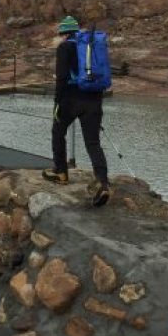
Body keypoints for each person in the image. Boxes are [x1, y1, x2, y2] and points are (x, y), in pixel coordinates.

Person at [42, 16, 111, 207]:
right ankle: (103, 182)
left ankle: (61, 172)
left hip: (71, 99)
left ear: (63, 34)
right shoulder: (89, 46)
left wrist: (57, 103)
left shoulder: (64, 48)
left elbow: (62, 78)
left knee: (58, 131)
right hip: (94, 98)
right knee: (92, 142)